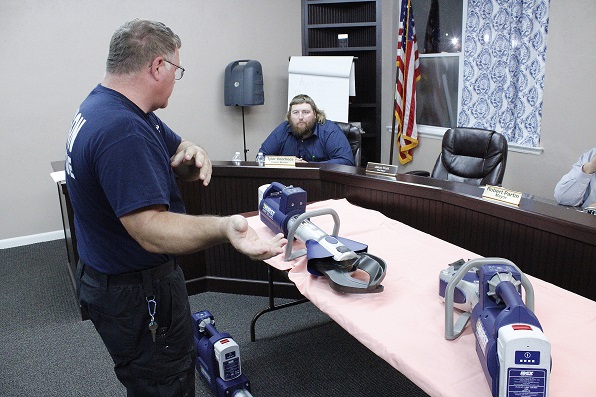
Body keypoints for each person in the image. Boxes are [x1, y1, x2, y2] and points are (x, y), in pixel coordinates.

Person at [64, 19, 286, 397]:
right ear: (157, 66)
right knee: (164, 381)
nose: (175, 79)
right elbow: (150, 230)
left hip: (111, 276)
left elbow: (176, 145)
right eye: (177, 70)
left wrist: (191, 151)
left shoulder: (110, 105)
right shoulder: (122, 129)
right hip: (135, 292)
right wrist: (225, 228)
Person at [258, 94, 355, 165]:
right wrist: (289, 162)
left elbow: (347, 161)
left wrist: (309, 166)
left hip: (322, 184)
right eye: (295, 112)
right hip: (288, 185)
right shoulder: (283, 129)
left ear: (315, 114)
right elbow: (261, 157)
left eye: (305, 112)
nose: (300, 117)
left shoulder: (329, 130)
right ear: (289, 116)